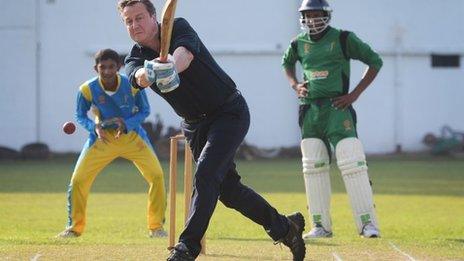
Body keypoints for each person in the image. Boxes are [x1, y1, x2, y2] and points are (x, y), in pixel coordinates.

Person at [117, 1, 306, 260]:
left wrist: (170, 63)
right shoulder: (134, 57)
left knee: (205, 175)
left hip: (229, 112)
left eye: (140, 18)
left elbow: (185, 54)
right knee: (227, 191)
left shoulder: (178, 27)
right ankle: (286, 228)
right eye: (129, 21)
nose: (135, 25)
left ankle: (187, 248)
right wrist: (150, 70)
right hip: (194, 126)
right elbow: (137, 77)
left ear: (153, 17)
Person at [282, 0, 383, 239]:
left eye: (317, 14)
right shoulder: (298, 43)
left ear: (327, 15)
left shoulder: (343, 38)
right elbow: (286, 63)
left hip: (338, 108)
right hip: (310, 111)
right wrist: (295, 84)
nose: (313, 20)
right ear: (302, 18)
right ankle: (320, 225)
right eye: (308, 15)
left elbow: (374, 61)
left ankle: (368, 224)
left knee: (352, 163)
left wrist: (354, 94)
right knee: (313, 167)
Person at [56, 49, 167, 239]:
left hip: (132, 137)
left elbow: (144, 110)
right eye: (102, 67)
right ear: (95, 68)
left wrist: (127, 123)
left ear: (119, 67)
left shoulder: (132, 85)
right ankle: (74, 228)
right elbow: (80, 115)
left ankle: (156, 227)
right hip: (102, 139)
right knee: (78, 180)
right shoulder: (87, 89)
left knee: (157, 176)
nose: (107, 71)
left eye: (111, 67)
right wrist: (94, 128)